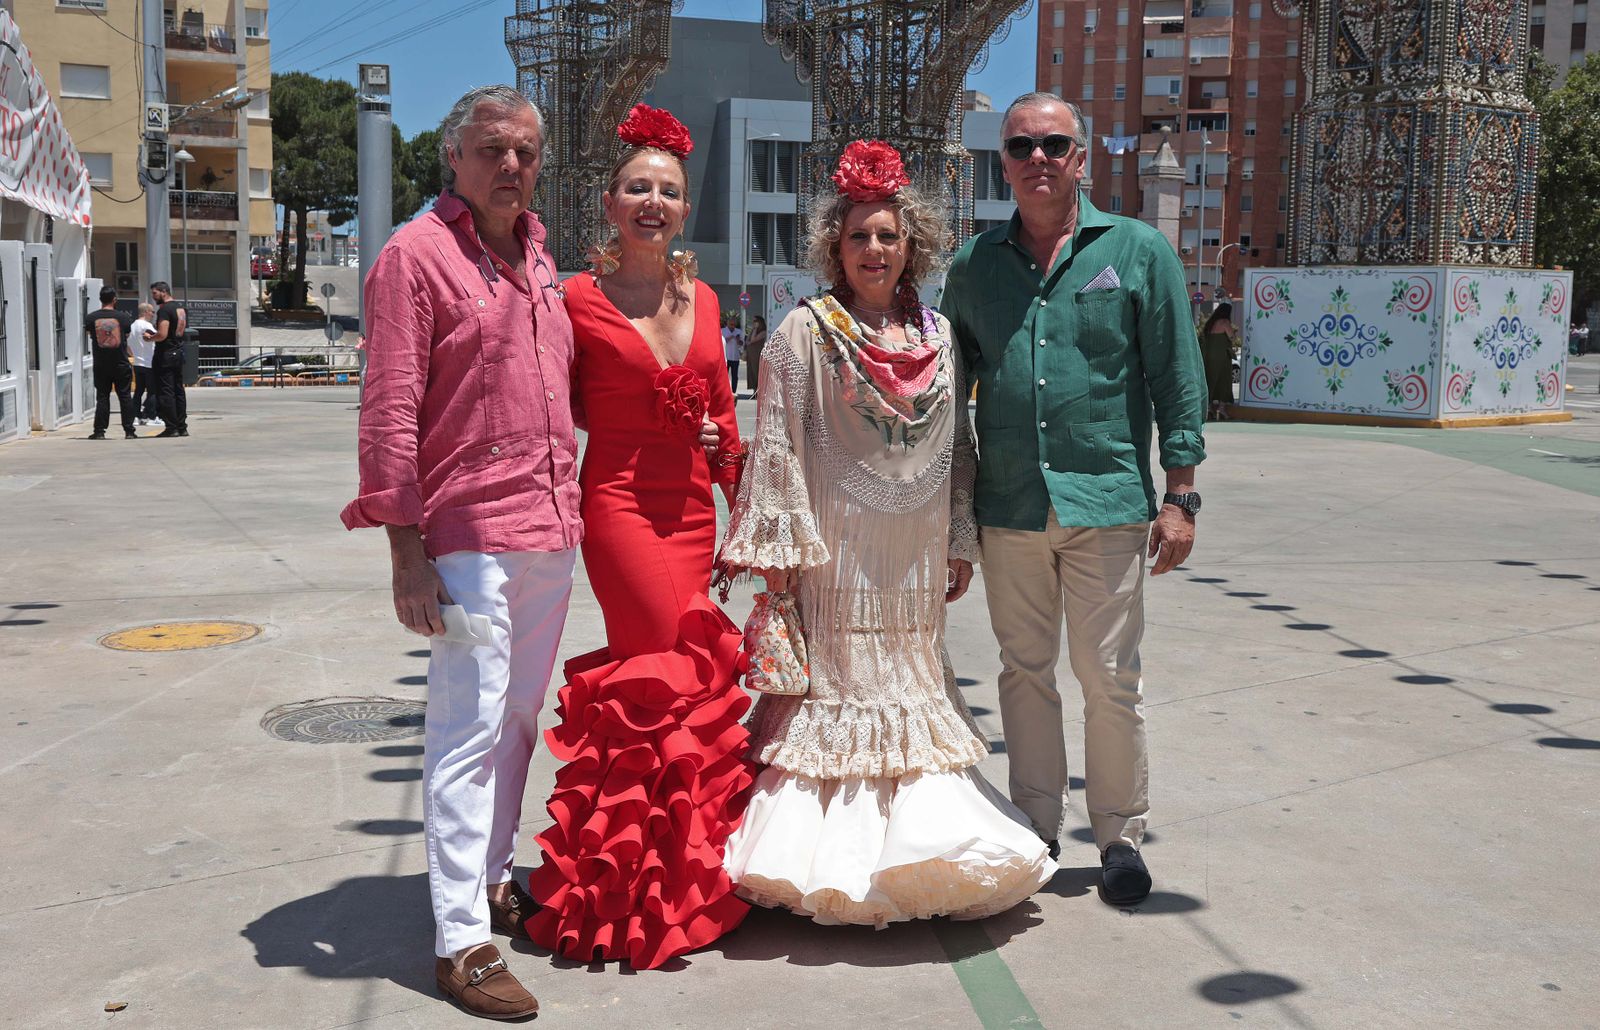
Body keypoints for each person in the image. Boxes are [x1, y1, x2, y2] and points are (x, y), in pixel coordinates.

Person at [721, 139, 1056, 927]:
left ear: (915, 246)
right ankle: (824, 863)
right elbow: (777, 448)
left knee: (909, 687)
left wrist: (957, 540)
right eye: (859, 236)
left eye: (889, 236)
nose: (875, 249)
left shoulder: (939, 337)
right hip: (834, 554)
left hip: (911, 561)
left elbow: (957, 445)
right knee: (837, 693)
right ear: (833, 249)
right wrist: (781, 564)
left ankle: (924, 852)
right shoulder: (801, 333)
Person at [339, 84, 578, 1022]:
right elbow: (390, 407)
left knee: (519, 721)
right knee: (467, 729)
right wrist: (406, 550)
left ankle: (488, 879)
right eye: (492, 149)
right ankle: (459, 942)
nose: (510, 165)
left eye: (524, 151)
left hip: (549, 529)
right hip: (468, 532)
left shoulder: (541, 256)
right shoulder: (416, 257)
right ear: (455, 156)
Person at [942, 93, 1207, 907]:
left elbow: (1175, 374)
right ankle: (1035, 826)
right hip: (1011, 506)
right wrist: (952, 519)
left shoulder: (1134, 251)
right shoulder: (973, 266)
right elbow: (948, 398)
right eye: (1020, 145)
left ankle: (1121, 835)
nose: (1037, 158)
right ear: (1004, 160)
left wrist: (1182, 495)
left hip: (1109, 504)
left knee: (1109, 678)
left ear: (1082, 157)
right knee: (1024, 673)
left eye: (1054, 142)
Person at [525, 103, 753, 970]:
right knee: (660, 666)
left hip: (693, 509)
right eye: (637, 188)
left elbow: (724, 414)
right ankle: (621, 894)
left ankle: (679, 880)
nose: (652, 202)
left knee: (693, 681)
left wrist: (742, 511)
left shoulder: (703, 297)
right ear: (610, 204)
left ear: (683, 208)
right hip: (617, 505)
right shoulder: (572, 299)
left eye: (668, 191)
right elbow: (548, 403)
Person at [83, 287, 136, 440]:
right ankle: (129, 431)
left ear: (100, 299)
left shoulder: (91, 318)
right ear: (114, 299)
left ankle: (99, 431)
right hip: (120, 362)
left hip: (101, 364)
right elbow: (126, 335)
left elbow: (89, 334)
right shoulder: (123, 317)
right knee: (125, 396)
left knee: (102, 397)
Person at [147, 282, 188, 438]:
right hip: (178, 352)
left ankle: (171, 427)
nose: (154, 297)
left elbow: (162, 334)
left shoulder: (164, 310)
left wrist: (150, 337)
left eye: (155, 294)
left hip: (165, 354)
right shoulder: (180, 309)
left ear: (164, 292)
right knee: (179, 390)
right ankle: (182, 426)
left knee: (166, 391)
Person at [1200, 302, 1238, 420]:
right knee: (1224, 381)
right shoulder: (1224, 322)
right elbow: (1231, 336)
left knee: (1211, 380)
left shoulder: (1210, 324)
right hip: (1222, 356)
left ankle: (1209, 409)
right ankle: (1221, 409)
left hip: (1209, 356)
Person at [129, 303, 160, 426]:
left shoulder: (132, 326)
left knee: (138, 391)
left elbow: (128, 345)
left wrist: (135, 355)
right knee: (152, 391)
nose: (153, 314)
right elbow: (157, 338)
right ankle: (152, 417)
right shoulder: (147, 325)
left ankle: (136, 417)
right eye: (152, 312)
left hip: (137, 362)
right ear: (146, 311)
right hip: (149, 362)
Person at [721, 313, 744, 396]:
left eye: (734, 324)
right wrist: (730, 337)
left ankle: (733, 391)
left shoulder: (739, 332)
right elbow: (722, 342)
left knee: (735, 376)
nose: (732, 326)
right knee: (724, 376)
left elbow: (741, 343)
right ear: (727, 323)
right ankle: (724, 391)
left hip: (735, 357)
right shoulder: (722, 331)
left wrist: (738, 340)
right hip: (725, 357)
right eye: (731, 324)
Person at [744, 315, 766, 395]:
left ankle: (758, 391)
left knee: (757, 372)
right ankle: (754, 390)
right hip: (751, 355)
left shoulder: (763, 332)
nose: (754, 323)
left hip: (757, 355)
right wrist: (753, 329)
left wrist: (756, 329)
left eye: (755, 321)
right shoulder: (753, 330)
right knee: (751, 373)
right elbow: (748, 340)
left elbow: (753, 339)